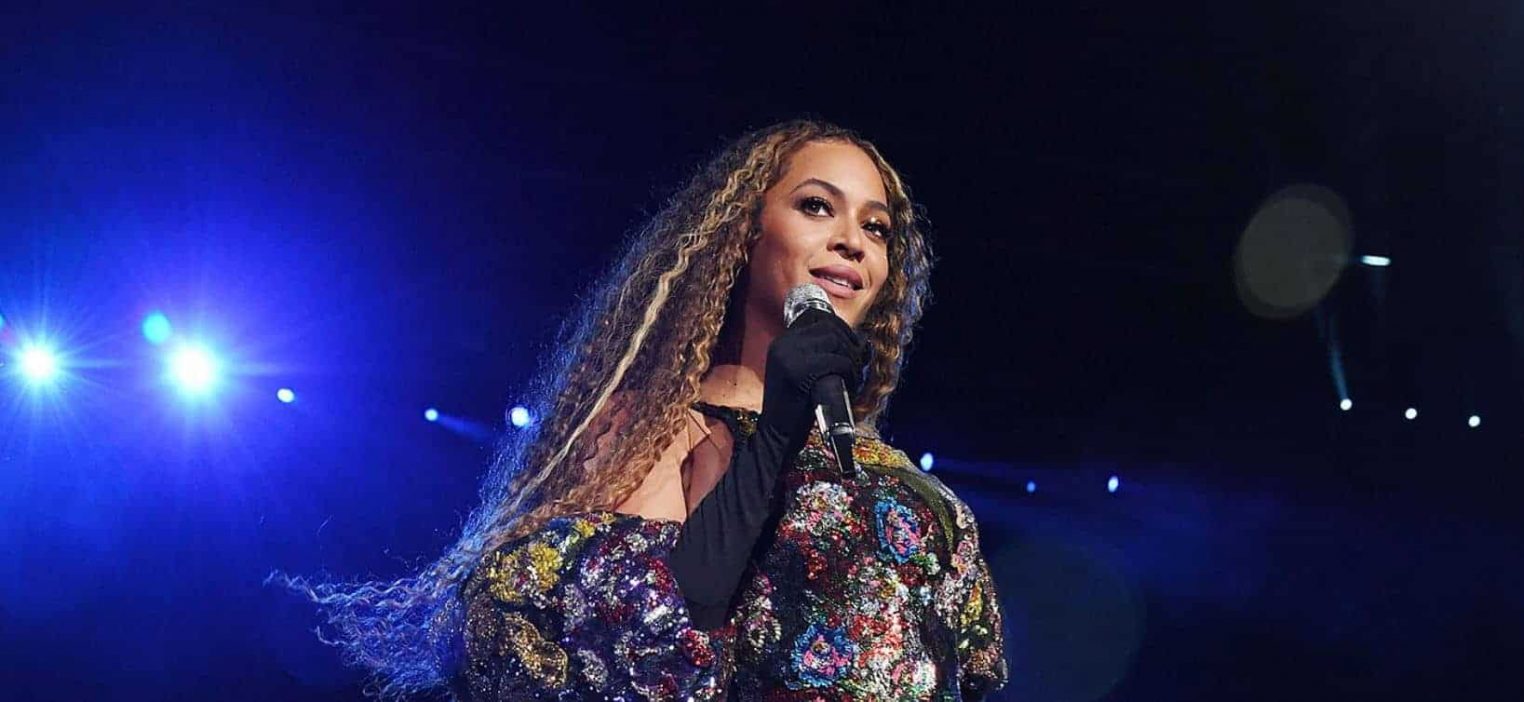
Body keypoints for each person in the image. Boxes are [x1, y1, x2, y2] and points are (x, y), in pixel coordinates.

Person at [279, 119, 1008, 701]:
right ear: (744, 233)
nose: (852, 241)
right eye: (816, 206)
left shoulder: (892, 476)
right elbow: (637, 637)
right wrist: (777, 427)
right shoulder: (656, 428)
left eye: (877, 228)